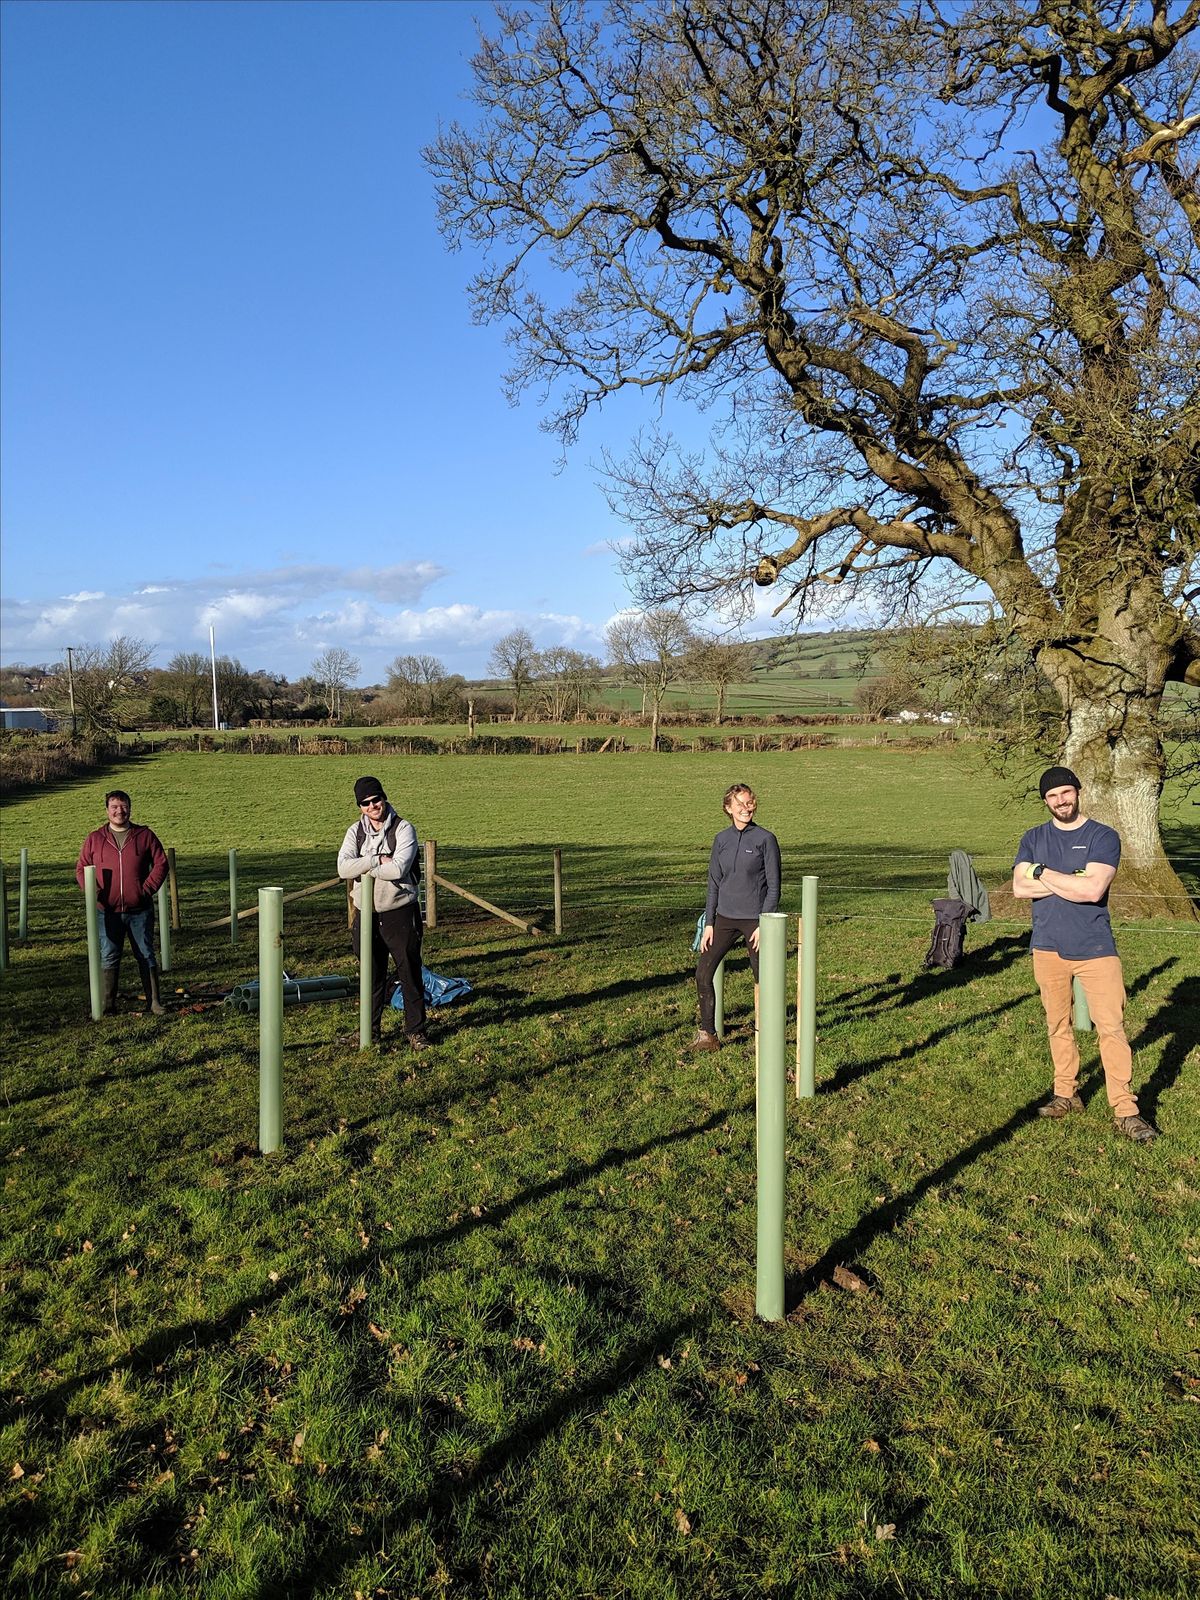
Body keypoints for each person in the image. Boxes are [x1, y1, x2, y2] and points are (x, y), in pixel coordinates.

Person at [1012, 765, 1157, 1143]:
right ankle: (1066, 1093)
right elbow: (1018, 888)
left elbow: (1093, 891)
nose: (1060, 801)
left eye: (1065, 793)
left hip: (1095, 948)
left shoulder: (1102, 836)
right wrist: (1071, 878)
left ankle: (1126, 1110)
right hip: (1047, 947)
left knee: (1111, 1028)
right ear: (1045, 801)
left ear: (1078, 791)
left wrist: (1041, 873)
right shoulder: (1032, 837)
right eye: (1052, 796)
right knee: (1057, 1025)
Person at [337, 775, 429, 1051]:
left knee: (409, 972)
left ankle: (416, 1032)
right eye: (365, 803)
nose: (372, 806)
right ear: (359, 806)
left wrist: (362, 867)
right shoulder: (355, 832)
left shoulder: (404, 829)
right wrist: (376, 860)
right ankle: (369, 1031)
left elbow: (399, 869)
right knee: (371, 974)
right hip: (365, 914)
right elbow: (343, 869)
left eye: (376, 799)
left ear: (383, 797)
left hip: (399, 912)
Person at [689, 782, 782, 1051]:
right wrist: (709, 923)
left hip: (756, 921)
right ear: (728, 808)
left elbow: (774, 886)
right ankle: (708, 1035)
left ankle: (766, 1036)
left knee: (764, 979)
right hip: (724, 919)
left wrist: (766, 921)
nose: (746, 808)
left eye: (750, 802)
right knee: (703, 975)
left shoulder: (765, 839)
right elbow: (713, 883)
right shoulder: (721, 840)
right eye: (740, 804)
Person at [75, 789, 169, 1016]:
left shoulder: (145, 835)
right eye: (115, 807)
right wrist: (95, 894)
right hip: (106, 911)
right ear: (107, 810)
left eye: (123, 806)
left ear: (130, 808)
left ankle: (154, 1001)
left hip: (140, 910)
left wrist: (146, 889)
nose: (120, 811)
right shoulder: (94, 839)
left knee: (146, 953)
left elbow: (161, 864)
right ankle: (108, 1004)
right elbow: (81, 869)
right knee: (109, 954)